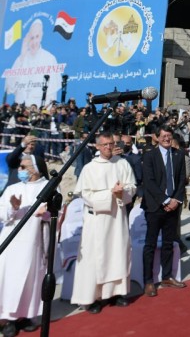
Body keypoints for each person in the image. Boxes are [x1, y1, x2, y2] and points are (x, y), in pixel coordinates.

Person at [71, 132, 136, 314]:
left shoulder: (122, 164)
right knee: (94, 258)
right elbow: (86, 195)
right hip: (97, 220)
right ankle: (92, 297)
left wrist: (122, 193)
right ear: (97, 146)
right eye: (105, 144)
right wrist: (110, 194)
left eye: (111, 144)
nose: (109, 147)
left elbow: (132, 187)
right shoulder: (89, 168)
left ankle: (116, 293)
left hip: (117, 218)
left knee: (118, 254)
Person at [0, 154, 50, 336]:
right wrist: (13, 207)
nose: (20, 171)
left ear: (36, 169)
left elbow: (55, 214)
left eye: (24, 167)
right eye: (20, 167)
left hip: (35, 242)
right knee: (10, 280)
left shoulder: (48, 187)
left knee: (31, 280)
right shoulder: (12, 188)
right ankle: (8, 320)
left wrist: (46, 213)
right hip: (12, 242)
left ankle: (27, 316)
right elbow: (1, 213)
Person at [140, 126, 187, 298]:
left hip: (173, 207)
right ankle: (149, 281)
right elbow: (149, 182)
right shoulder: (149, 155)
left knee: (169, 243)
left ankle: (167, 276)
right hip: (155, 207)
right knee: (150, 245)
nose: (167, 138)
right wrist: (165, 200)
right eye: (164, 136)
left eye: (169, 136)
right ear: (157, 138)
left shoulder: (178, 154)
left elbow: (182, 179)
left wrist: (176, 200)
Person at [4, 19, 59, 107]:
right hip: (20, 112)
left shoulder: (50, 58)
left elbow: (52, 94)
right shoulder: (20, 59)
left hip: (39, 112)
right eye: (32, 38)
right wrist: (22, 56)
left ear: (41, 36)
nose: (34, 42)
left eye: (37, 37)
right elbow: (9, 88)